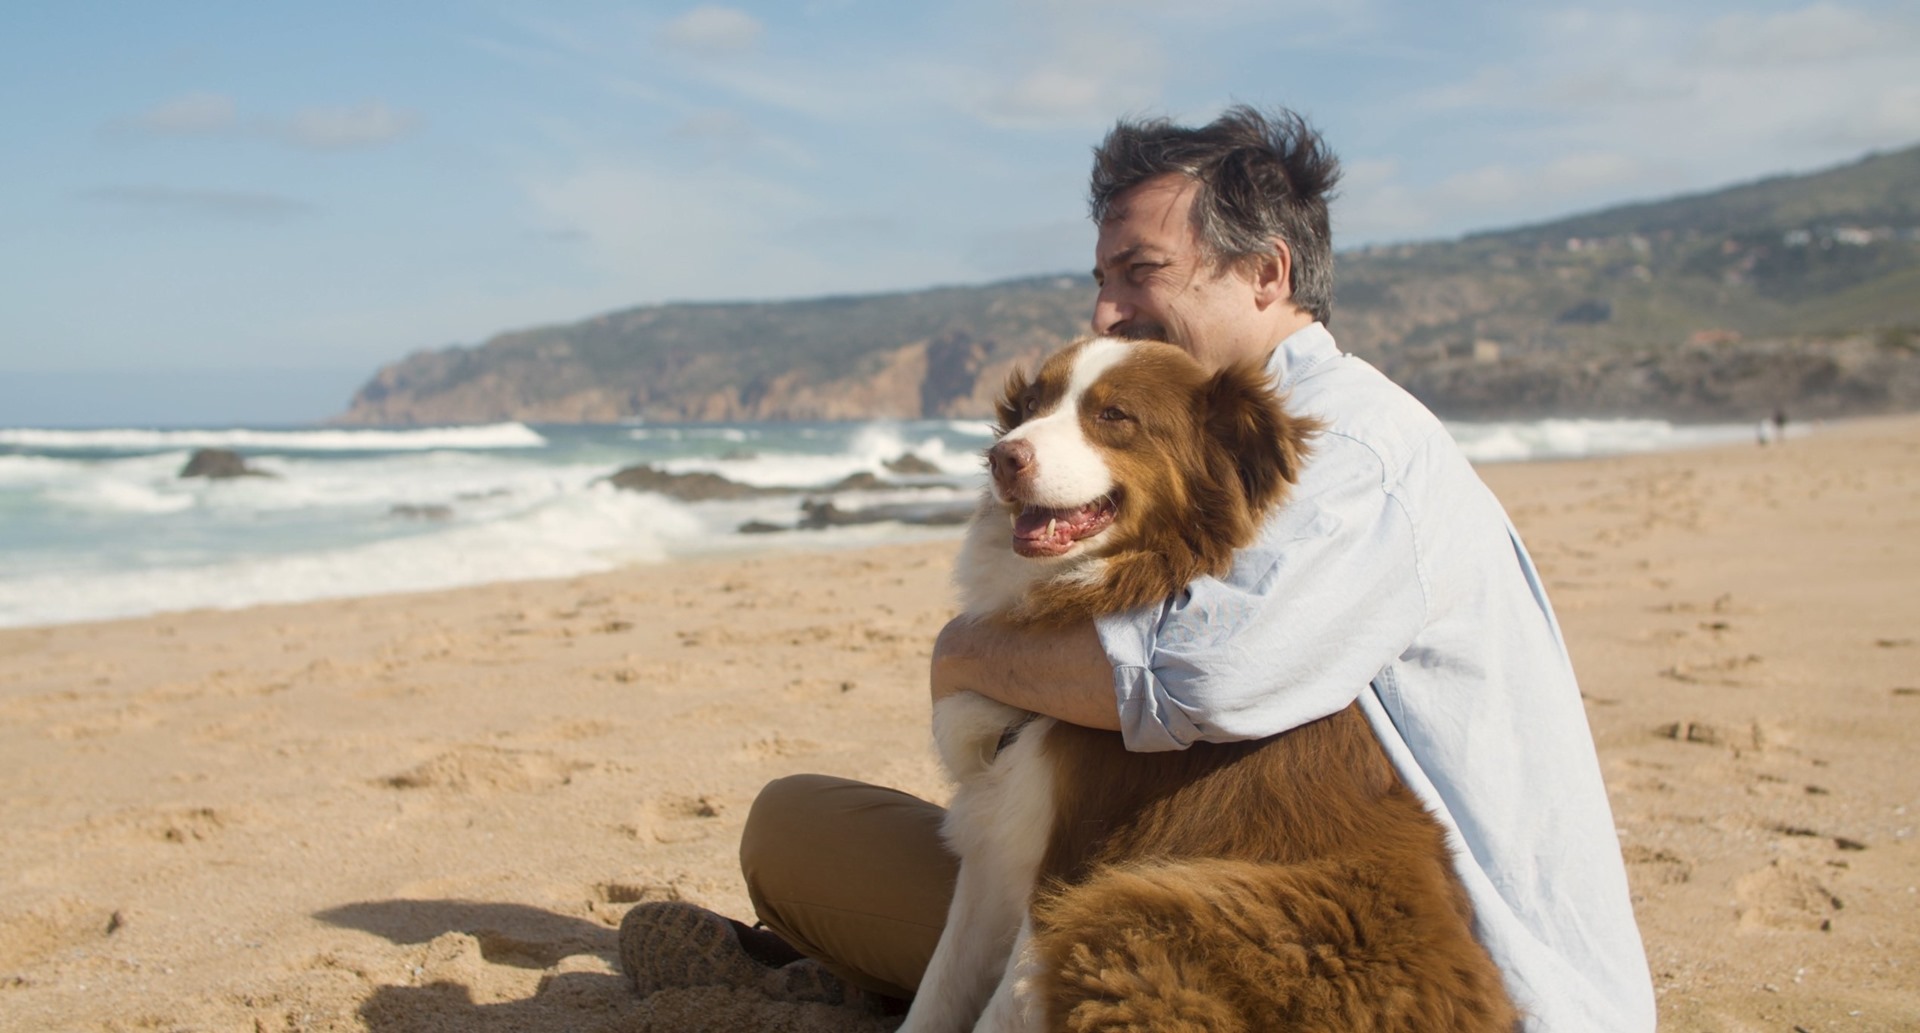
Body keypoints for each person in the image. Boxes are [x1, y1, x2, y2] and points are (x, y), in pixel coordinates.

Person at [620, 106, 1657, 1031]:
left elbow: (1196, 676)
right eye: (1102, 280)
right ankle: (857, 965)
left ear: (1267, 273)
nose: (1107, 313)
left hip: (1404, 959)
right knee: (800, 828)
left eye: (1141, 272)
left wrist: (968, 654)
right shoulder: (1195, 431)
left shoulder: (1351, 451)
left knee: (988, 885)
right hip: (1183, 873)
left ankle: (861, 969)